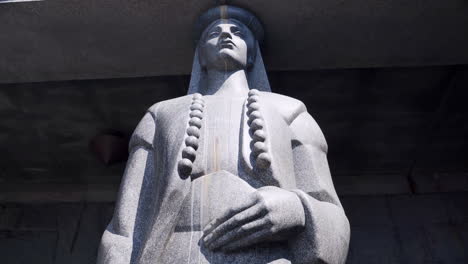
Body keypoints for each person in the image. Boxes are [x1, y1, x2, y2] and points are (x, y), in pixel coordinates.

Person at [97, 5, 350, 264]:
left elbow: (330, 210)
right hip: (177, 253)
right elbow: (126, 223)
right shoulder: (160, 115)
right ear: (201, 57)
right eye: (214, 33)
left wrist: (299, 210)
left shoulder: (290, 111)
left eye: (238, 32)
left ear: (252, 55)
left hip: (269, 254)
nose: (226, 35)